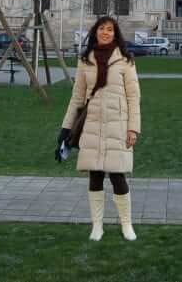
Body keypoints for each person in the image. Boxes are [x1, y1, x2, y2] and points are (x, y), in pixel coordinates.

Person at [56, 15, 141, 241]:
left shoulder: (125, 60)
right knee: (95, 176)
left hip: (118, 125)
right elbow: (77, 98)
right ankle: (97, 225)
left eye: (110, 30)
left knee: (118, 176)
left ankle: (126, 224)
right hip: (92, 125)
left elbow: (134, 97)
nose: (105, 33)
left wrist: (133, 128)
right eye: (102, 29)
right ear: (95, 32)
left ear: (115, 34)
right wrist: (65, 129)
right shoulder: (85, 60)